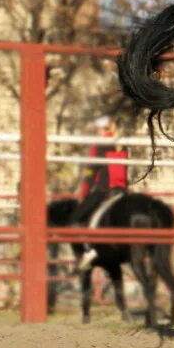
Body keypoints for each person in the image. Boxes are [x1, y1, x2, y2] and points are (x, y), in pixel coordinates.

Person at [69, 115, 128, 269]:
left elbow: (91, 171)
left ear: (102, 129)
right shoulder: (122, 143)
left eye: (99, 129)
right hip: (122, 191)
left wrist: (84, 193)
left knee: (75, 219)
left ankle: (87, 253)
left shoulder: (100, 145)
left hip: (103, 190)